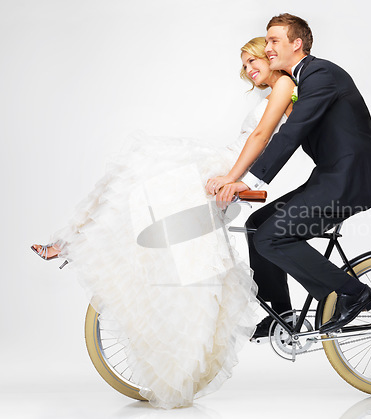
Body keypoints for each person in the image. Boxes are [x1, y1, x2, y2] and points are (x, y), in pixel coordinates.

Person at [31, 37, 296, 409]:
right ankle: (73, 240)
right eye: (246, 64)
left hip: (228, 169)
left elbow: (260, 136)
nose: (251, 69)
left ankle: (74, 242)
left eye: (256, 60)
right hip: (228, 167)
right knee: (132, 176)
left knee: (138, 170)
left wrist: (233, 177)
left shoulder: (285, 83)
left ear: (275, 58)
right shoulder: (272, 89)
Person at [217, 14, 371, 338]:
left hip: (346, 182)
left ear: (297, 44)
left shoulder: (320, 74)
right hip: (329, 178)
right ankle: (279, 314)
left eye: (274, 41)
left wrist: (250, 181)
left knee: (271, 237)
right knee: (257, 226)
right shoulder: (301, 81)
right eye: (266, 41)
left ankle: (351, 292)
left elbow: (289, 136)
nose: (268, 47)